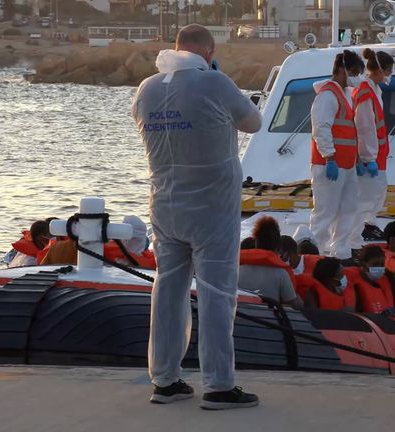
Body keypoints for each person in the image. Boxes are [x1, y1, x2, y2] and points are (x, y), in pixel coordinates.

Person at [131, 25, 261, 408]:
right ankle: (219, 385)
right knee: (218, 293)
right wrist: (217, 81)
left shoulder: (147, 89)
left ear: (174, 49)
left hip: (165, 205)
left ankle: (166, 381)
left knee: (167, 292)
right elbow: (252, 122)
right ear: (209, 52)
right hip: (212, 208)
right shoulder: (216, 83)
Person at [309, 50, 364, 259]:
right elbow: (321, 129)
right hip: (330, 164)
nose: (356, 77)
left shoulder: (344, 95)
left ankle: (340, 248)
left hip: (347, 165)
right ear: (342, 70)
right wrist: (330, 157)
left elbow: (347, 131)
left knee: (348, 208)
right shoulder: (327, 96)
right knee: (325, 211)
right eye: (354, 72)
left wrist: (355, 159)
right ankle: (316, 251)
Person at [348, 48, 395, 247]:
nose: (390, 75)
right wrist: (368, 158)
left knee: (375, 194)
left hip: (378, 155)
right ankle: (355, 237)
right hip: (370, 158)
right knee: (365, 198)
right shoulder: (366, 92)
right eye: (389, 70)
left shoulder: (375, 90)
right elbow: (365, 126)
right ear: (380, 70)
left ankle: (364, 228)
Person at [238, 217, 303, 310]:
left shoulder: (237, 269)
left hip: (243, 320)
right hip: (270, 321)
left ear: (256, 245)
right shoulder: (281, 274)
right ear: (277, 248)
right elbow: (295, 305)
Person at [346, 245, 394, 314]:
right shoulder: (354, 286)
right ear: (363, 264)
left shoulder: (385, 281)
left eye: (382, 264)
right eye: (375, 264)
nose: (379, 268)